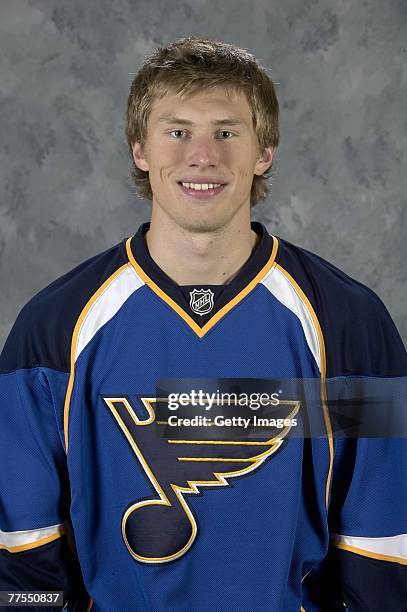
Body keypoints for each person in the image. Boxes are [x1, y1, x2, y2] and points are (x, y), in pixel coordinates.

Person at [0, 36, 406, 612]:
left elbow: (382, 536)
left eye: (226, 131)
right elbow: (22, 543)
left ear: (264, 151)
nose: (202, 156)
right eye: (177, 131)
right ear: (139, 149)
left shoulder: (349, 322)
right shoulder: (56, 325)